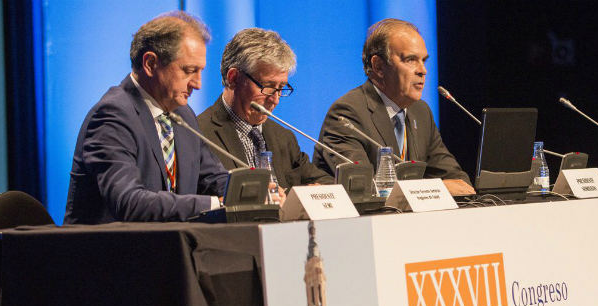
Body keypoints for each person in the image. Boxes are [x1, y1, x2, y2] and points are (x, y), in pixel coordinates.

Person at [64, 11, 228, 224]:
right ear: (150, 64)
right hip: (108, 251)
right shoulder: (112, 116)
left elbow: (214, 179)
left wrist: (255, 194)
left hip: (166, 247)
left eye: (200, 72)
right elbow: (128, 202)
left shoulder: (182, 114)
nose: (197, 84)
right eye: (189, 71)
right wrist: (214, 205)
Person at [313, 19, 475, 196]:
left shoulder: (421, 112)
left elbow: (457, 179)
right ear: (379, 67)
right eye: (411, 60)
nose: (422, 70)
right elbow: (363, 187)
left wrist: (443, 187)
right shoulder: (347, 114)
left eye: (423, 60)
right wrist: (437, 189)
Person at [197, 28, 333, 198]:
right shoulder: (199, 134)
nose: (275, 99)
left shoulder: (284, 137)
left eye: (281, 88)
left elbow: (325, 183)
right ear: (234, 79)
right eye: (267, 87)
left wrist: (295, 195)